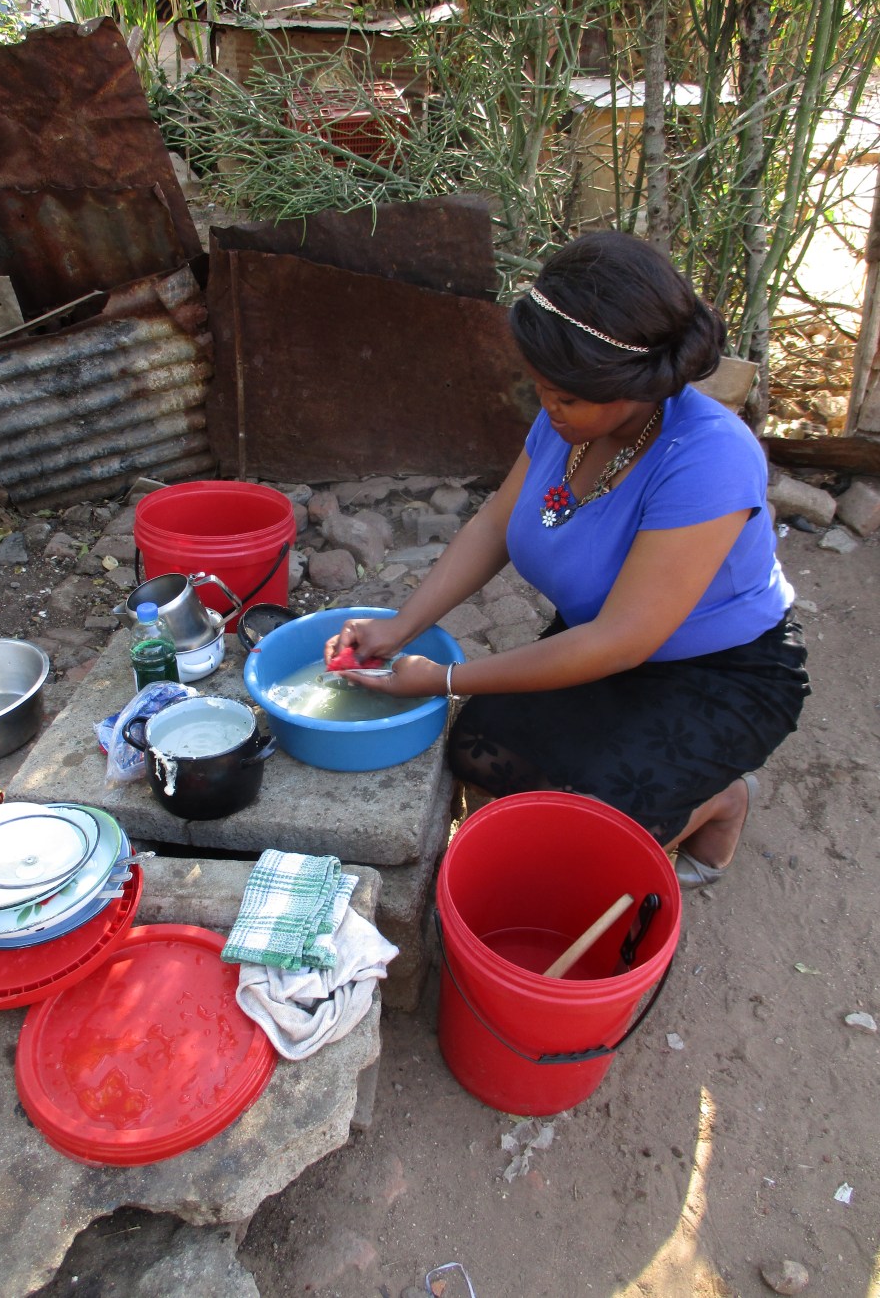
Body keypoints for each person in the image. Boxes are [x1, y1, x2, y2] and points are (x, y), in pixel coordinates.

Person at [324, 229, 810, 888]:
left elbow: (619, 642)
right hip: (601, 639)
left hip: (723, 672)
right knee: (478, 750)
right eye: (541, 387)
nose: (546, 407)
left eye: (566, 397)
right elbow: (497, 520)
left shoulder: (710, 458)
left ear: (638, 384)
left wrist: (441, 679)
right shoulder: (570, 420)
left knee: (590, 835)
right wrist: (398, 626)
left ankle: (719, 801)